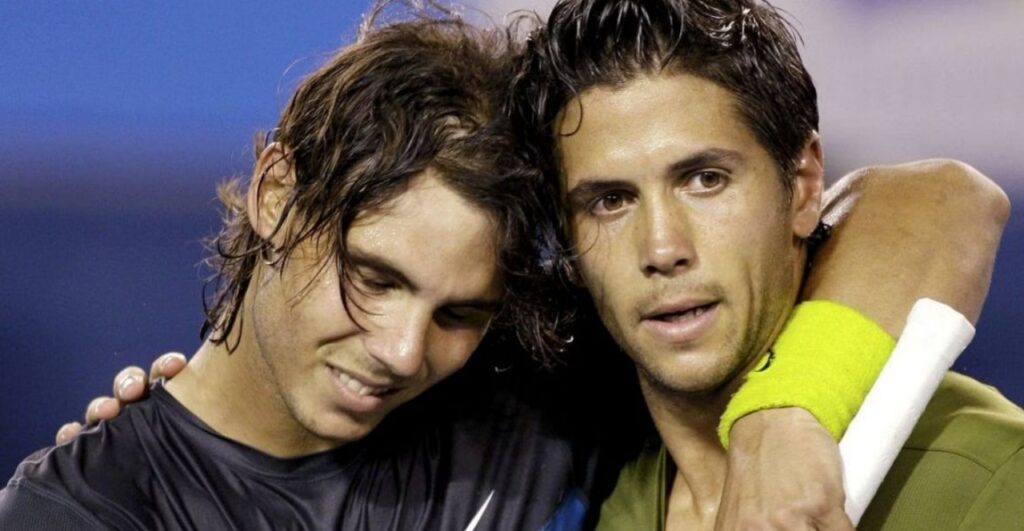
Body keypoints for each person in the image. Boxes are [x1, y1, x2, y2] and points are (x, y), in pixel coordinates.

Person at [12, 2, 1010, 530]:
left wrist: (788, 416)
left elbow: (944, 202)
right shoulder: (87, 509)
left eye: (460, 311)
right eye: (376, 277)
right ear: (275, 192)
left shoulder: (541, 388)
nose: (403, 351)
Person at [511, 0, 1024, 529]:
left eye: (705, 179)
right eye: (610, 201)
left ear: (803, 189)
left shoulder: (990, 476)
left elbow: (943, 198)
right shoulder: (597, 494)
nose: (662, 250)